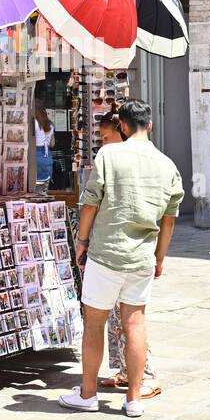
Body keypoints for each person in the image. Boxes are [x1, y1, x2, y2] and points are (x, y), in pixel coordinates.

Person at [60, 99, 182, 418]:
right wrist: (159, 258)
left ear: (123, 127)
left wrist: (81, 241)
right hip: (142, 255)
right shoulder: (167, 165)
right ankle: (133, 398)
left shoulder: (109, 155)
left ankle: (87, 394)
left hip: (107, 252)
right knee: (135, 323)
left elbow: (89, 204)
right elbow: (169, 219)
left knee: (94, 323)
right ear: (150, 126)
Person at [92, 110, 162, 399]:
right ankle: (124, 370)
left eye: (106, 138)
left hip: (129, 251)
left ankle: (145, 375)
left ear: (121, 132)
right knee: (116, 318)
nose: (102, 144)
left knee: (131, 319)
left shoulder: (131, 162)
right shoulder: (111, 161)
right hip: (116, 250)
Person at [33, 99, 55, 194]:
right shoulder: (50, 125)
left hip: (36, 156)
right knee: (43, 191)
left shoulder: (35, 123)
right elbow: (52, 144)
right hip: (47, 157)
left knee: (34, 191)